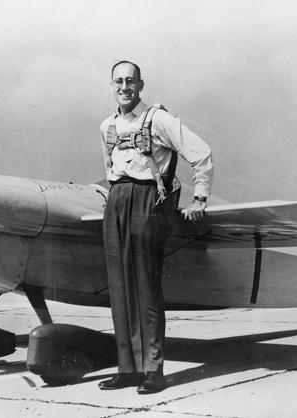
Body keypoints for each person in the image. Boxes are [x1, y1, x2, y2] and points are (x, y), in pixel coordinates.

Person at [98, 60, 213, 394]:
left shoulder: (158, 119)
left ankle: (153, 370)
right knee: (119, 289)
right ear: (111, 85)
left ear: (141, 85)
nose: (124, 87)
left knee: (147, 288)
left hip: (149, 199)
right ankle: (128, 369)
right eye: (118, 81)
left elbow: (201, 153)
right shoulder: (106, 126)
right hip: (116, 200)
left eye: (130, 81)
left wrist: (200, 198)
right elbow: (110, 168)